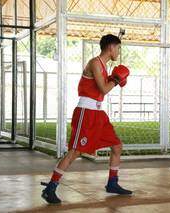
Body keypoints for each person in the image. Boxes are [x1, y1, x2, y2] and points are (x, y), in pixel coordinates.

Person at [41, 34, 132, 204]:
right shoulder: (95, 63)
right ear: (111, 47)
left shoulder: (104, 66)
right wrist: (116, 79)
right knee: (75, 151)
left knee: (117, 146)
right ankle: (50, 188)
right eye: (118, 48)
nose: (119, 51)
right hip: (86, 112)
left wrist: (114, 78)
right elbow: (104, 89)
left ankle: (112, 183)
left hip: (98, 113)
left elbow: (104, 88)